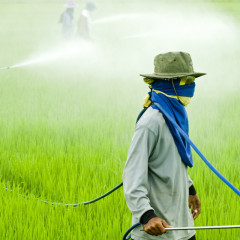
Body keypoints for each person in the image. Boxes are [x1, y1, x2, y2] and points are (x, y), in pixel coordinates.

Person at [123, 52, 205, 240]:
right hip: (157, 232)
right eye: (186, 80)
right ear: (171, 83)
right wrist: (147, 216)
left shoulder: (176, 115)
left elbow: (174, 160)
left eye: (192, 79)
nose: (192, 85)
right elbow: (132, 175)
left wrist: (190, 190)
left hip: (183, 228)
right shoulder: (151, 122)